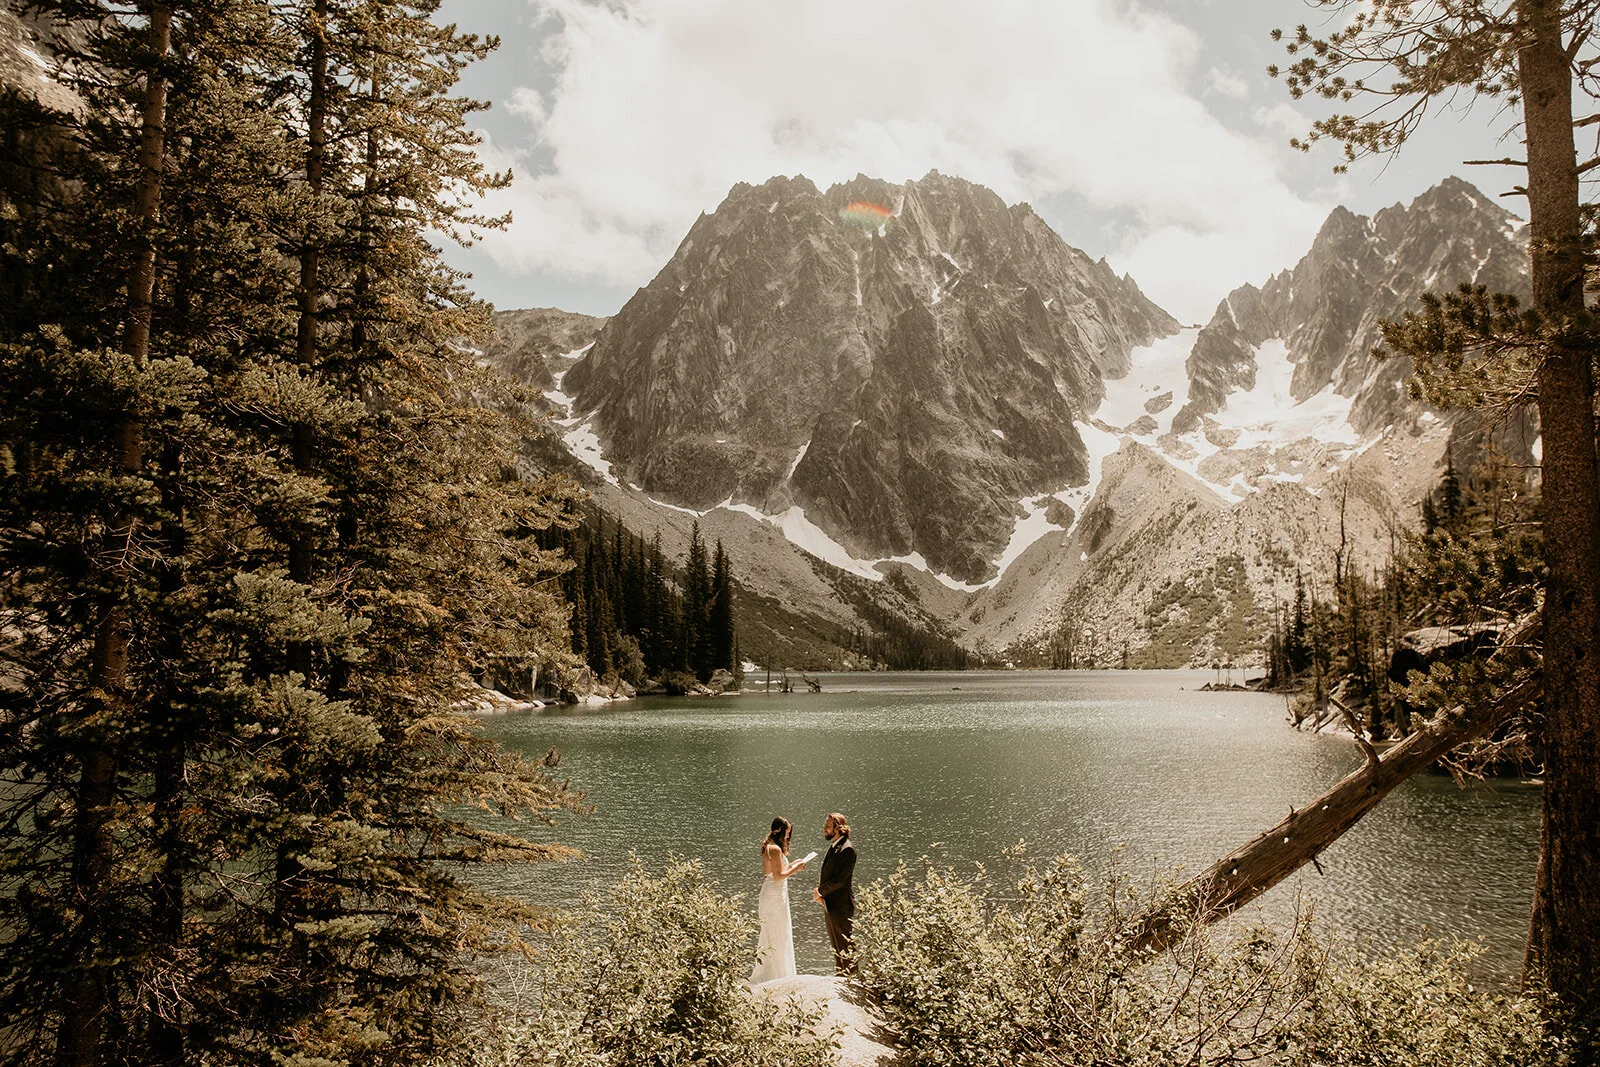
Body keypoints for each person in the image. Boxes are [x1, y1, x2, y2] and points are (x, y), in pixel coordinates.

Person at [750, 816, 807, 984]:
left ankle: (778, 971)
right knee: (776, 932)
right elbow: (778, 876)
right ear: (780, 832)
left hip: (774, 894)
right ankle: (775, 974)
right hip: (774, 896)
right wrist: (796, 868)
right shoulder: (775, 849)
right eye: (787, 833)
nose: (788, 837)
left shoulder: (770, 847)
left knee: (777, 931)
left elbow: (777, 872)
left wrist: (793, 864)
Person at [812, 811, 856, 974]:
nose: (824, 829)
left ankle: (852, 978)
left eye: (827, 826)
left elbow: (840, 880)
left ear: (837, 828)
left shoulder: (847, 849)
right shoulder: (835, 846)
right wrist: (820, 893)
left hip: (841, 904)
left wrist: (820, 891)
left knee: (845, 943)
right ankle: (841, 976)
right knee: (836, 945)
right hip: (830, 903)